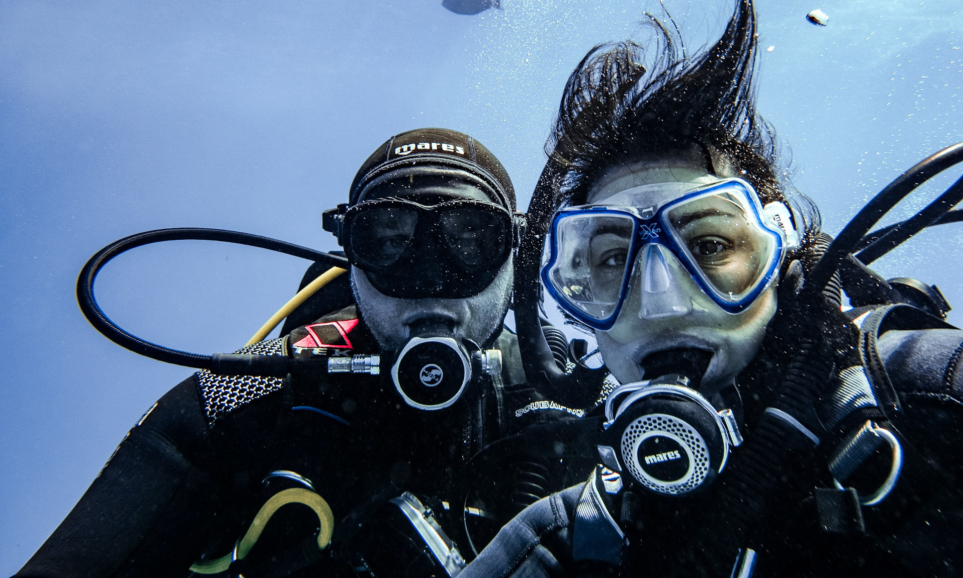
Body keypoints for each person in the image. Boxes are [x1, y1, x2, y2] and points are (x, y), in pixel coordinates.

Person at [461, 0, 963, 577]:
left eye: (708, 244)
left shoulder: (953, 400)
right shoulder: (572, 540)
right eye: (608, 260)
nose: (663, 302)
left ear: (780, 253)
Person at [17, 128, 576, 578]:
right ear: (351, 258)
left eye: (470, 240)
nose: (428, 281)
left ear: (515, 262)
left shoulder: (573, 404)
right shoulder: (241, 397)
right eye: (387, 241)